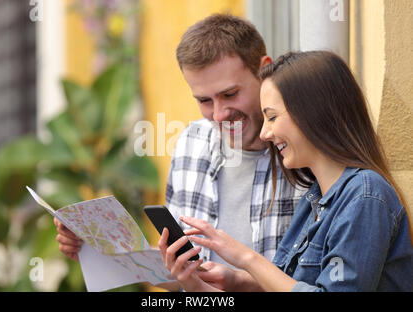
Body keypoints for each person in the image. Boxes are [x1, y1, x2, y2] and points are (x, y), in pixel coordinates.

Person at [54, 14, 306, 291]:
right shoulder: (191, 143)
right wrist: (94, 249)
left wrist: (238, 283)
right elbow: (180, 275)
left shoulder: (305, 150)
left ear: (264, 71)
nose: (220, 114)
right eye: (204, 100)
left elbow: (316, 284)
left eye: (230, 94)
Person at [161, 50, 413, 291]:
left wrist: (245, 258)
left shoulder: (365, 196)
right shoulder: (313, 199)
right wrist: (208, 285)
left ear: (313, 113)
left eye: (272, 117)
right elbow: (284, 286)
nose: (264, 133)